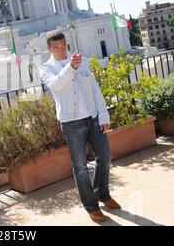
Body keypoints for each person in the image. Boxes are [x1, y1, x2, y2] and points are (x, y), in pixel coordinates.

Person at [40, 30, 121, 222]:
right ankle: (91, 206)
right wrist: (71, 67)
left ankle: (103, 194)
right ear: (49, 48)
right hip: (71, 123)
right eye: (56, 47)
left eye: (63, 45)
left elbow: (95, 89)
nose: (61, 50)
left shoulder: (81, 60)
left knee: (105, 157)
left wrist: (103, 115)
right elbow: (57, 85)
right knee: (80, 167)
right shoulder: (46, 68)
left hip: (92, 118)